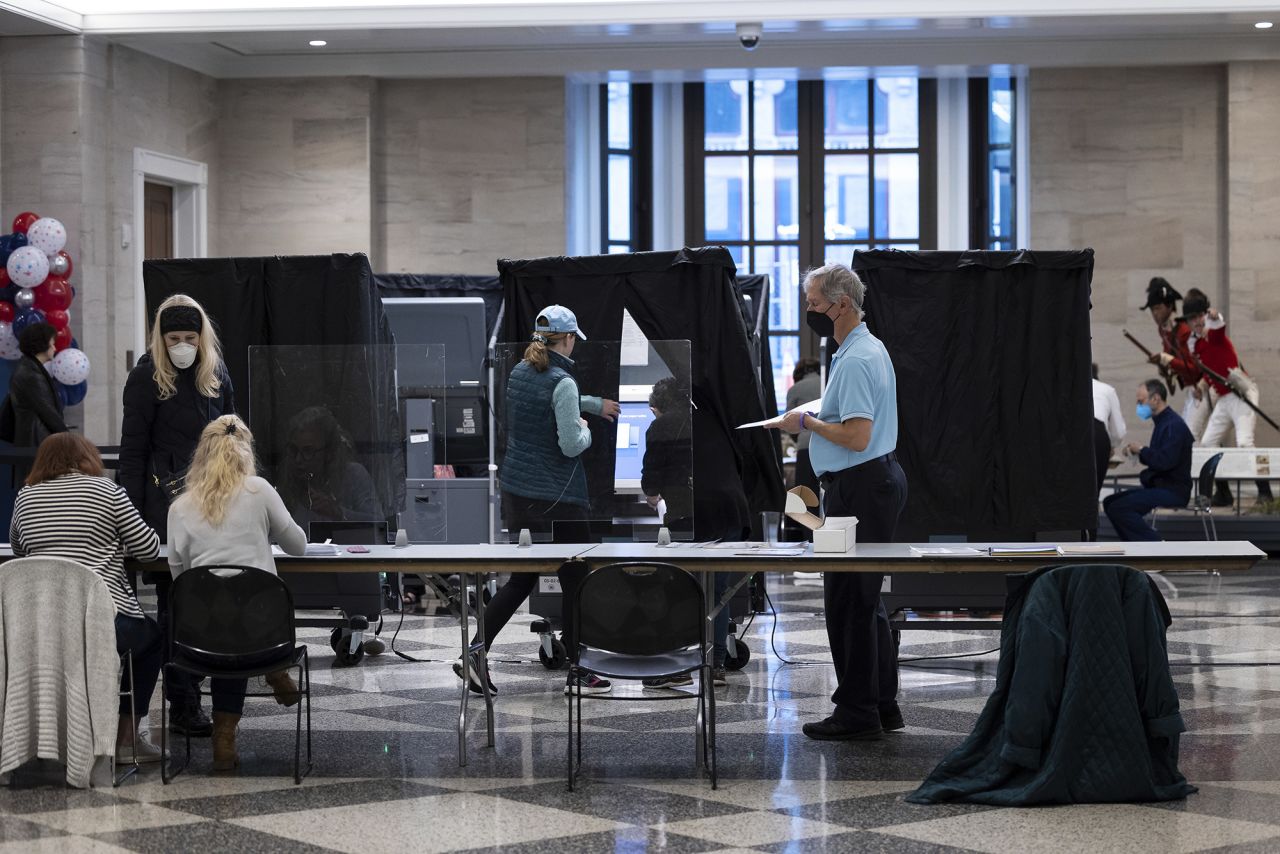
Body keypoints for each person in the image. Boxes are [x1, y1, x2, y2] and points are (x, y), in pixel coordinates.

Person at [456, 305, 619, 697]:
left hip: (519, 493)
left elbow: (546, 404)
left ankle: (474, 653)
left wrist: (594, 404)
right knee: (577, 580)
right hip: (558, 498)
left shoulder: (519, 372)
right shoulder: (563, 381)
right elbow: (568, 443)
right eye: (574, 337)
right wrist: (587, 430)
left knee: (522, 579)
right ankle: (579, 670)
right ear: (567, 339)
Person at [774, 263, 908, 741]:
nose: (809, 311)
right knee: (865, 601)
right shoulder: (864, 348)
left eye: (813, 303)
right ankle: (881, 704)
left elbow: (855, 436)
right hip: (870, 481)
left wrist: (805, 425)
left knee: (849, 601)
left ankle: (856, 713)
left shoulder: (854, 358)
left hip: (859, 485)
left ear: (842, 304)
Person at [9, 433, 164, 763]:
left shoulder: (25, 496)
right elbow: (149, 549)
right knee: (151, 640)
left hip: (41, 625)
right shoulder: (108, 492)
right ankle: (126, 741)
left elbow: (21, 553)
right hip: (103, 623)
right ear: (88, 459)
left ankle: (37, 739)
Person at [119, 294, 235, 738]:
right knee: (173, 604)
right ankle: (183, 699)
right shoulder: (145, 376)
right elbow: (132, 453)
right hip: (162, 505)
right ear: (161, 338)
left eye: (189, 337)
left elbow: (232, 437)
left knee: (212, 599)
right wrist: (129, 516)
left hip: (213, 501)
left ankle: (202, 684)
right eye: (174, 338)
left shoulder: (216, 373)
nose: (182, 345)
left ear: (201, 337)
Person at [166, 415, 308, 771]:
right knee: (244, 618)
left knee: (223, 621)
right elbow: (299, 547)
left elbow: (179, 577)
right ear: (246, 452)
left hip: (201, 638)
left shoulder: (179, 507)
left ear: (201, 454)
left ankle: (224, 741)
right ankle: (274, 674)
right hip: (264, 633)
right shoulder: (258, 490)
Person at [640, 377, 752, 689]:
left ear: (656, 408)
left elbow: (651, 483)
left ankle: (676, 667)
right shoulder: (712, 418)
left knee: (680, 590)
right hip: (732, 511)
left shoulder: (661, 426)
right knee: (717, 591)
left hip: (693, 516)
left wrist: (653, 495)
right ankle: (715, 666)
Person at [1184, 292, 1274, 507]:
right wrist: (1201, 385)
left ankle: (1265, 492)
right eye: (1191, 318)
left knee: (1244, 443)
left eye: (1199, 316)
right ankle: (1223, 493)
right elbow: (1209, 370)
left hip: (1242, 393)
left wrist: (1214, 316)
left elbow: (1217, 325)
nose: (1196, 322)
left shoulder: (1214, 334)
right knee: (1208, 444)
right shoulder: (1196, 344)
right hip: (1225, 398)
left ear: (1205, 315)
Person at [1103, 379, 1194, 541]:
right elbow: (1160, 458)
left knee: (1120, 508)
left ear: (1156, 399)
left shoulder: (1173, 425)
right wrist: (1140, 452)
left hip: (1173, 491)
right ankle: (1136, 547)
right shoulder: (1164, 423)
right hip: (1162, 486)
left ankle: (1155, 547)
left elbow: (1165, 462)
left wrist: (1142, 450)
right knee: (1110, 502)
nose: (1138, 405)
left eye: (1141, 401)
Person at [276, 405, 384, 533]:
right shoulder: (288, 480)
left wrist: (338, 513)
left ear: (329, 452)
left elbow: (379, 523)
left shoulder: (353, 475)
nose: (298, 459)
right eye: (294, 450)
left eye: (308, 451)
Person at [1142, 278, 1210, 440]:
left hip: (1203, 386)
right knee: (1190, 435)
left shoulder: (1185, 330)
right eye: (1152, 310)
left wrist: (1165, 359)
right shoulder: (1164, 330)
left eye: (1158, 308)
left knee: (1191, 435)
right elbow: (1175, 364)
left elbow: (1194, 368)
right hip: (1192, 388)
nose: (1155, 314)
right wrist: (1163, 365)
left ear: (1170, 306)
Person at [1, 323, 67, 482]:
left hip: (35, 445)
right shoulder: (30, 374)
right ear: (41, 344)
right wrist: (71, 442)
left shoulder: (29, 368)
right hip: (37, 446)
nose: (54, 348)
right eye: (52, 343)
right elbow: (49, 413)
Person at [1090, 364, 1126, 539]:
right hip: (1097, 433)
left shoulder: (1066, 386)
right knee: (1093, 491)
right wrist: (1111, 446)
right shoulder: (1106, 390)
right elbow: (1118, 431)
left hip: (1070, 433)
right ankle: (1091, 538)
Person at [786, 358, 823, 499]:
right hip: (830, 445)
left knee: (806, 499)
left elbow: (789, 424)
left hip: (805, 447)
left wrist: (799, 437)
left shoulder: (795, 389)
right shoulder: (828, 384)